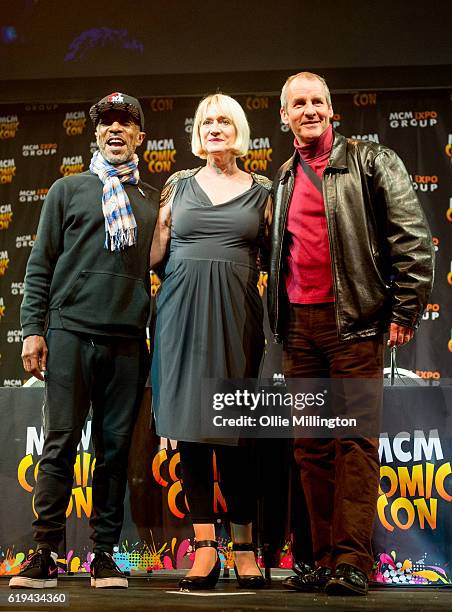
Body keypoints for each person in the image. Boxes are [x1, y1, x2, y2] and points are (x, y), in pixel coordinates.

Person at [267, 72, 434, 596]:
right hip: (298, 328)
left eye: (318, 101)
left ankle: (352, 561)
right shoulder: (283, 177)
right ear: (284, 116)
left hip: (355, 325)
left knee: (354, 443)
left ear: (331, 110)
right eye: (299, 103)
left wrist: (404, 310)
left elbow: (412, 236)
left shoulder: (371, 161)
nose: (309, 109)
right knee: (311, 447)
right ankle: (319, 559)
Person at [9, 92, 159, 589]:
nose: (115, 130)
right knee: (59, 446)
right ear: (95, 134)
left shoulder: (151, 200)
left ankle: (104, 556)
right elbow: (39, 266)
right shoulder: (67, 189)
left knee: (115, 452)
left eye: (125, 123)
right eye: (106, 123)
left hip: (126, 343)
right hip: (69, 333)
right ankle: (45, 553)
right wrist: (33, 330)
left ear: (140, 136)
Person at [150, 93, 272, 590]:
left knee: (235, 429)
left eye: (224, 120)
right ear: (196, 131)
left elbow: (276, 255)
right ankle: (204, 551)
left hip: (237, 314)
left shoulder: (263, 189)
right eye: (206, 120)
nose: (214, 127)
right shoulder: (177, 184)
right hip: (179, 310)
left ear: (239, 130)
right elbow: (155, 253)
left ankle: (244, 548)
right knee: (191, 430)